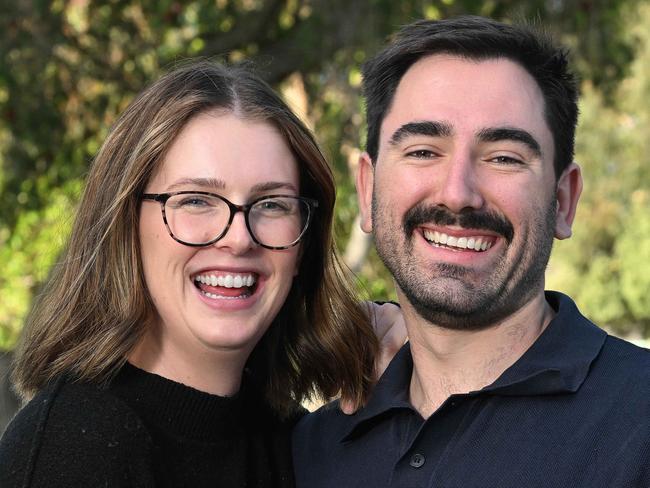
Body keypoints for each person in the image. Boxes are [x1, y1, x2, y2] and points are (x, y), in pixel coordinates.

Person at [293, 15, 650, 487]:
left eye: (504, 157)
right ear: (367, 188)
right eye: (423, 151)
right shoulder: (308, 452)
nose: (458, 193)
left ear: (563, 200)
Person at [0, 60, 384, 487]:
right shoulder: (71, 446)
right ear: (126, 225)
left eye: (273, 204)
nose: (239, 238)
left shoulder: (292, 444)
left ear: (303, 244)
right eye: (197, 200)